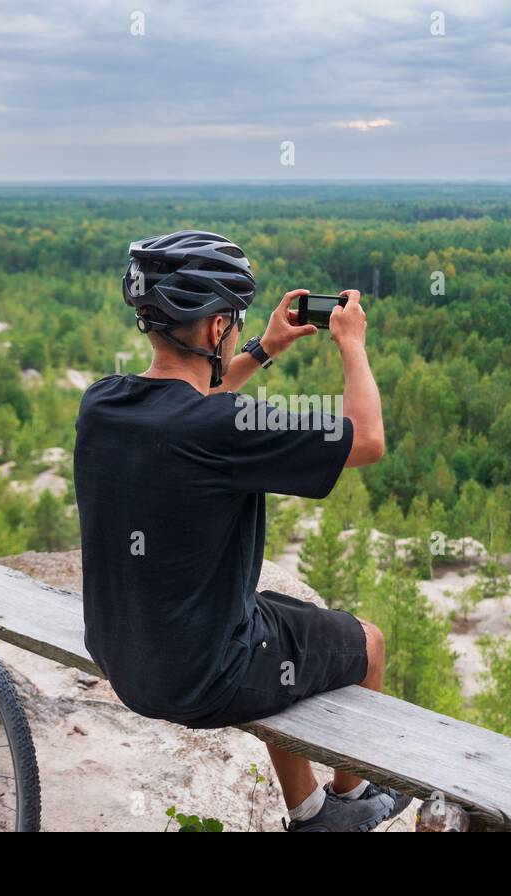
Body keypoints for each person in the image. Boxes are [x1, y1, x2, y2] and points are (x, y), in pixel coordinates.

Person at [74, 229, 411, 831]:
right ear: (214, 329)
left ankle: (309, 808)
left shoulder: (102, 404)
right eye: (233, 320)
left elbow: (189, 404)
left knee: (282, 619)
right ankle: (353, 803)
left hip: (122, 658)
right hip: (203, 679)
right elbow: (367, 440)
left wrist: (264, 347)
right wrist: (352, 345)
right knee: (368, 643)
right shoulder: (221, 427)